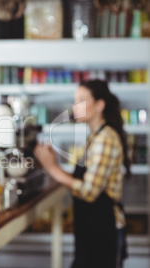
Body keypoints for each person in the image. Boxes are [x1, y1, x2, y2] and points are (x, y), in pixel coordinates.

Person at [34, 79, 129, 268]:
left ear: (100, 105)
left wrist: (52, 168)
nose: (75, 106)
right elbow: (86, 176)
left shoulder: (105, 139)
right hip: (92, 228)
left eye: (81, 100)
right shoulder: (95, 136)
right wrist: (55, 165)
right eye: (75, 100)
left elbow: (89, 190)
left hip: (104, 229)